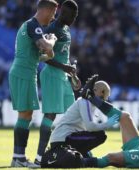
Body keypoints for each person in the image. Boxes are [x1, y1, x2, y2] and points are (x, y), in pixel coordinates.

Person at [8, 0, 58, 167]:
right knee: (25, 114)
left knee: (27, 115)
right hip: (23, 73)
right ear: (47, 10)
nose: (54, 17)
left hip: (25, 72)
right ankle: (18, 158)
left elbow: (45, 55)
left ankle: (18, 157)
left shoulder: (32, 27)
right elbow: (46, 46)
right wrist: (52, 41)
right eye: (53, 13)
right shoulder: (33, 25)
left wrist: (49, 49)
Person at [35, 0, 81, 165]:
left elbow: (63, 55)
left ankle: (79, 152)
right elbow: (43, 56)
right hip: (52, 75)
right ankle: (39, 157)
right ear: (63, 12)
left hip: (63, 76)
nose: (74, 18)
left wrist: (72, 73)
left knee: (74, 113)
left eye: (76, 15)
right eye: (72, 15)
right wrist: (63, 66)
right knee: (50, 114)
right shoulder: (52, 29)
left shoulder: (67, 29)